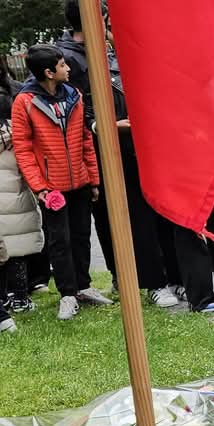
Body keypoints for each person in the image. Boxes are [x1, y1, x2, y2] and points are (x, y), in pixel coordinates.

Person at [58, 0, 184, 309]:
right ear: (93, 18)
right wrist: (102, 125)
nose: (109, 26)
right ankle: (150, 282)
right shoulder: (66, 60)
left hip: (138, 144)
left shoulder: (113, 52)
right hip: (103, 152)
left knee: (157, 209)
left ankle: (173, 276)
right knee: (125, 218)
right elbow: (70, 108)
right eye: (106, 19)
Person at [10, 45, 111, 321]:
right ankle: (67, 294)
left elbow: (85, 140)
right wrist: (40, 187)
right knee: (60, 241)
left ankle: (83, 286)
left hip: (79, 181)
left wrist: (93, 178)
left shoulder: (74, 95)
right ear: (48, 72)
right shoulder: (25, 101)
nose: (68, 68)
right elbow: (23, 148)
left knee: (81, 236)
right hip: (51, 187)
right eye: (63, 65)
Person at [0, 75, 43, 325]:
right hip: (16, 196)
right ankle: (20, 297)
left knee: (3, 251)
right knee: (18, 252)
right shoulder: (16, 134)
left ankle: (3, 297)